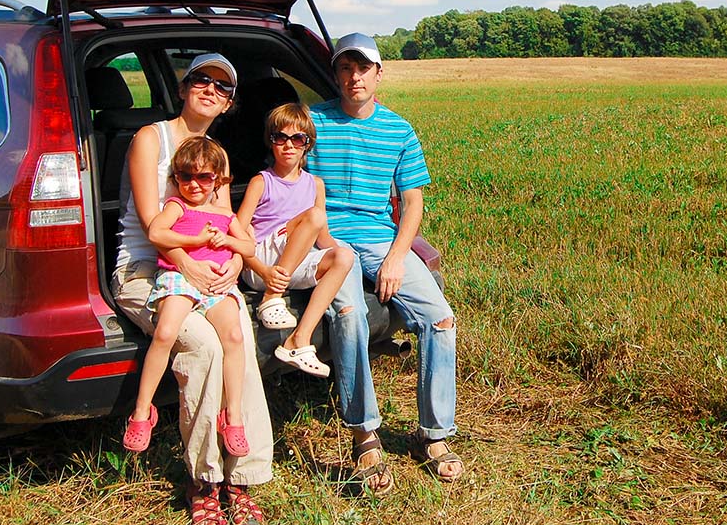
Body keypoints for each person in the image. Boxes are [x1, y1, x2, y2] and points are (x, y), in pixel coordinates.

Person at [111, 53, 271, 525]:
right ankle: (205, 481)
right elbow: (151, 224)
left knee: (238, 337)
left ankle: (243, 476)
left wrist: (235, 262)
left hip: (210, 269)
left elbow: (228, 223)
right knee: (203, 346)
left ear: (228, 104)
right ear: (182, 88)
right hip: (147, 267)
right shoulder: (151, 139)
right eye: (201, 79)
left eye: (222, 87)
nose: (210, 90)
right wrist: (188, 266)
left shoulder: (214, 154)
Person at [305, 33, 464, 495]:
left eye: (363, 68)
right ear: (336, 74)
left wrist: (396, 257)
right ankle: (364, 435)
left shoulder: (399, 130)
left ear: (379, 74)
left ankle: (433, 435)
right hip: (328, 241)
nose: (354, 77)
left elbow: (412, 203)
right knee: (349, 315)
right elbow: (294, 188)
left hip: (381, 241)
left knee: (440, 319)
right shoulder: (312, 123)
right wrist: (327, 245)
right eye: (345, 68)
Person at [124, 136, 255, 460]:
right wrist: (196, 240)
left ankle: (233, 416)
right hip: (179, 277)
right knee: (166, 332)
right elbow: (156, 232)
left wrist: (229, 242)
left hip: (216, 283)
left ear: (218, 180)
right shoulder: (177, 206)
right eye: (186, 176)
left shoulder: (225, 215)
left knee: (234, 336)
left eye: (204, 177)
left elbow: (249, 247)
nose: (194, 184)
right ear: (176, 178)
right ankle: (142, 411)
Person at [236, 102, 354, 378]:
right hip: (262, 263)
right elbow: (238, 232)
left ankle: (299, 340)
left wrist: (347, 259)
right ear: (271, 142)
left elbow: (322, 237)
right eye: (281, 138)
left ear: (307, 144)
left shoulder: (315, 184)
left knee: (344, 256)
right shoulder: (261, 182)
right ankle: (271, 298)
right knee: (314, 216)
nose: (289, 145)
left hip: (292, 263)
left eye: (297, 138)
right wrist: (261, 269)